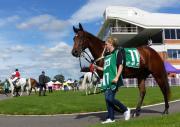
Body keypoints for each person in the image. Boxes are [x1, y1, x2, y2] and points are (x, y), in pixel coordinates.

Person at [94, 36, 130, 124]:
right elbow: (105, 69)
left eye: (106, 44)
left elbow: (120, 66)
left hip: (113, 79)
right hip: (106, 80)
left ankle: (125, 109)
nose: (105, 45)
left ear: (111, 44)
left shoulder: (117, 53)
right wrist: (97, 67)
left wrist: (117, 77)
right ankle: (111, 118)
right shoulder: (107, 55)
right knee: (107, 99)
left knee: (110, 99)